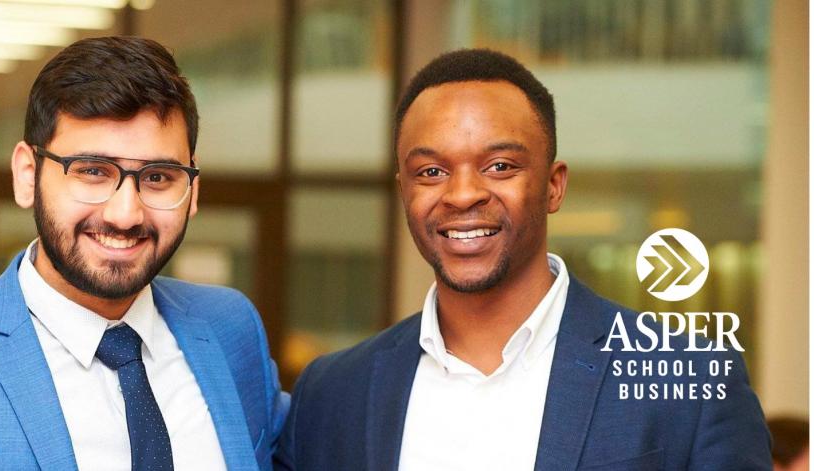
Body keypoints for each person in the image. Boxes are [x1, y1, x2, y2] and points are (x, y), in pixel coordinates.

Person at [274, 48, 771, 470]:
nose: (462, 194)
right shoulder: (332, 394)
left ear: (553, 186)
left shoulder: (691, 383)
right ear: (404, 191)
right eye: (431, 171)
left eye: (499, 166)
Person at [0, 36, 287, 471]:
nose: (125, 214)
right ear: (27, 175)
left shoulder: (230, 330)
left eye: (158, 178)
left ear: (193, 189)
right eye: (92, 171)